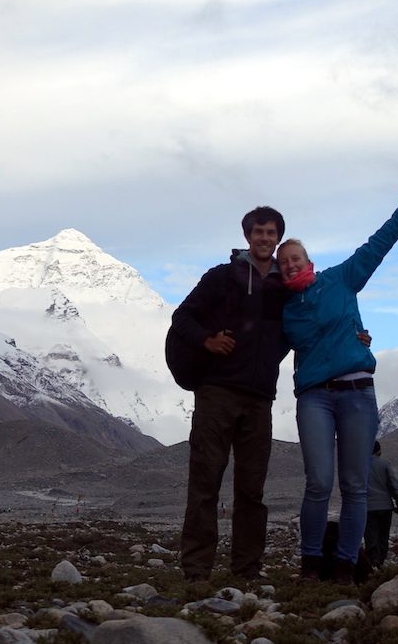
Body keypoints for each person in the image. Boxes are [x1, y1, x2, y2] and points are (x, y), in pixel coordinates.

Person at [278, 169, 398, 584]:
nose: (290, 266)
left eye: (296, 259)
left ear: (309, 262)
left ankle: (343, 564)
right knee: (319, 481)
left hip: (358, 390)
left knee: (355, 485)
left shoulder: (341, 278)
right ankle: (310, 564)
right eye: (284, 263)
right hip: (314, 397)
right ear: (280, 271)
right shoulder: (284, 310)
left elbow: (376, 247)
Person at [171, 206, 292, 581]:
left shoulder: (284, 288)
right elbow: (183, 317)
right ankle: (196, 570)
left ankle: (247, 570)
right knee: (205, 483)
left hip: (260, 398)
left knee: (251, 490)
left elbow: (306, 325)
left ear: (277, 238)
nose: (264, 238)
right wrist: (206, 341)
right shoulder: (221, 278)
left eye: (271, 233)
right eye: (258, 232)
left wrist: (355, 335)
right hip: (217, 393)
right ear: (247, 236)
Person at [364, 440, 398, 568]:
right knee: (383, 535)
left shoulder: (360, 465)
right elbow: (393, 486)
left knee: (371, 536)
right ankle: (381, 562)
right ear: (379, 451)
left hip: (367, 507)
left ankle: (372, 561)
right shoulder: (385, 464)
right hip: (385, 506)